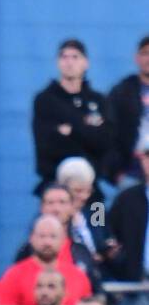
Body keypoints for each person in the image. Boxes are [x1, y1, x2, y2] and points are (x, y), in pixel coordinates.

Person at [32, 39, 113, 193]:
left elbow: (104, 142)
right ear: (58, 62)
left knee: (99, 216)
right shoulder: (45, 100)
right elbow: (46, 144)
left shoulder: (98, 101)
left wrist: (71, 130)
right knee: (52, 218)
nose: (69, 62)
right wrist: (86, 129)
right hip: (54, 186)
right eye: (64, 57)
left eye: (75, 57)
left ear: (86, 63)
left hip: (92, 188)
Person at [0, 215, 91, 305]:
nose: (47, 242)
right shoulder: (14, 275)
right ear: (31, 238)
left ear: (63, 240)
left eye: (53, 236)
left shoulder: (79, 276)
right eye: (42, 236)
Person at [105, 138, 149, 305]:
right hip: (137, 286)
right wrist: (114, 255)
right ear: (142, 160)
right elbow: (102, 222)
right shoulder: (126, 198)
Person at [106, 36, 149, 188]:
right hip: (130, 173)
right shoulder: (122, 91)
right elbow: (108, 132)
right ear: (136, 58)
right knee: (129, 211)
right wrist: (116, 172)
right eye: (145, 53)